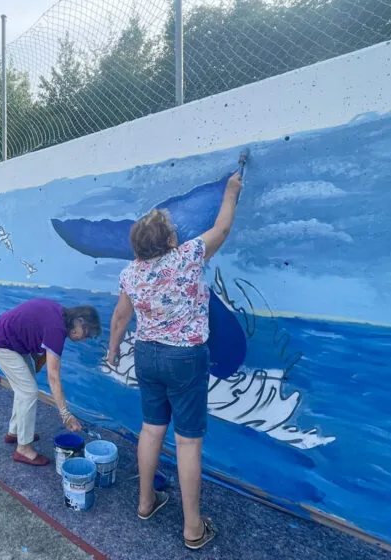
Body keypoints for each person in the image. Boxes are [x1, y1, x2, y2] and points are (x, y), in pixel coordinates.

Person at [107, 172, 243, 550]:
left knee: (151, 430)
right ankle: (193, 528)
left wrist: (113, 348)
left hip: (146, 354)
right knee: (187, 444)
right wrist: (231, 190)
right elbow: (223, 227)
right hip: (184, 358)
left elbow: (120, 317)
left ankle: (146, 502)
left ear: (137, 249)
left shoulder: (130, 272)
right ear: (171, 241)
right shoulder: (188, 256)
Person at [0, 299, 101, 466]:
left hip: (8, 338)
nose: (84, 339)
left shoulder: (60, 314)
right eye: (87, 333)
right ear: (80, 322)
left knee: (24, 388)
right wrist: (66, 415)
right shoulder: (57, 329)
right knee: (28, 391)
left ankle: (16, 432)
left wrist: (37, 356)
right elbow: (53, 377)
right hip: (2, 342)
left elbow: (32, 329)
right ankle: (23, 449)